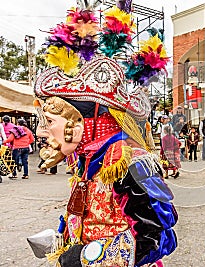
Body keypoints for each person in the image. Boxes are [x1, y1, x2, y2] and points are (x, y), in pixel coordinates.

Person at [30, 5, 177, 266]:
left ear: (77, 122)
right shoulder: (85, 160)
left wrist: (88, 258)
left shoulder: (131, 163)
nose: (42, 131)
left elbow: (159, 238)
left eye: (50, 121)